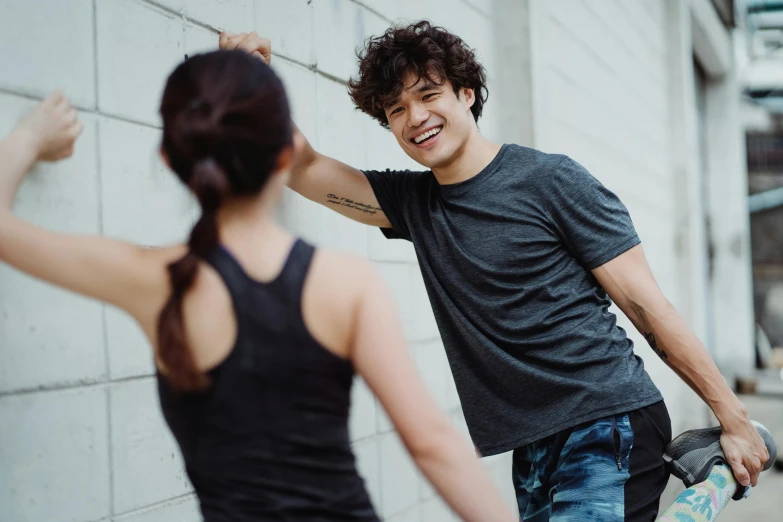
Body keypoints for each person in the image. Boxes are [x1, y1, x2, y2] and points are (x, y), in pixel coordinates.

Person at [219, 21, 770, 521]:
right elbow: (304, 167)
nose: (415, 119)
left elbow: (647, 307)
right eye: (395, 110)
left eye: (428, 94)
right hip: (531, 444)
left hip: (608, 420)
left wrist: (734, 418)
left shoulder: (551, 181)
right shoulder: (412, 203)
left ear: (466, 92)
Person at [0, 50, 515, 521]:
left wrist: (29, 137)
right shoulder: (344, 283)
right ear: (283, 158)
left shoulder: (152, 281)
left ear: (169, 158)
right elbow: (431, 444)